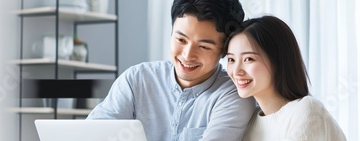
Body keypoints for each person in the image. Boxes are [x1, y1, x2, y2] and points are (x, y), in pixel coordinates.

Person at [87, 0, 256, 140]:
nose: (188, 55)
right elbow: (93, 133)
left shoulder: (233, 95)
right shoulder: (138, 79)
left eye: (204, 46)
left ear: (224, 50)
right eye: (181, 39)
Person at [225, 15, 347, 141]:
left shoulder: (306, 110)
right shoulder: (249, 122)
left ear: (278, 60)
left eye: (248, 59)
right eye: (231, 60)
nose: (236, 71)